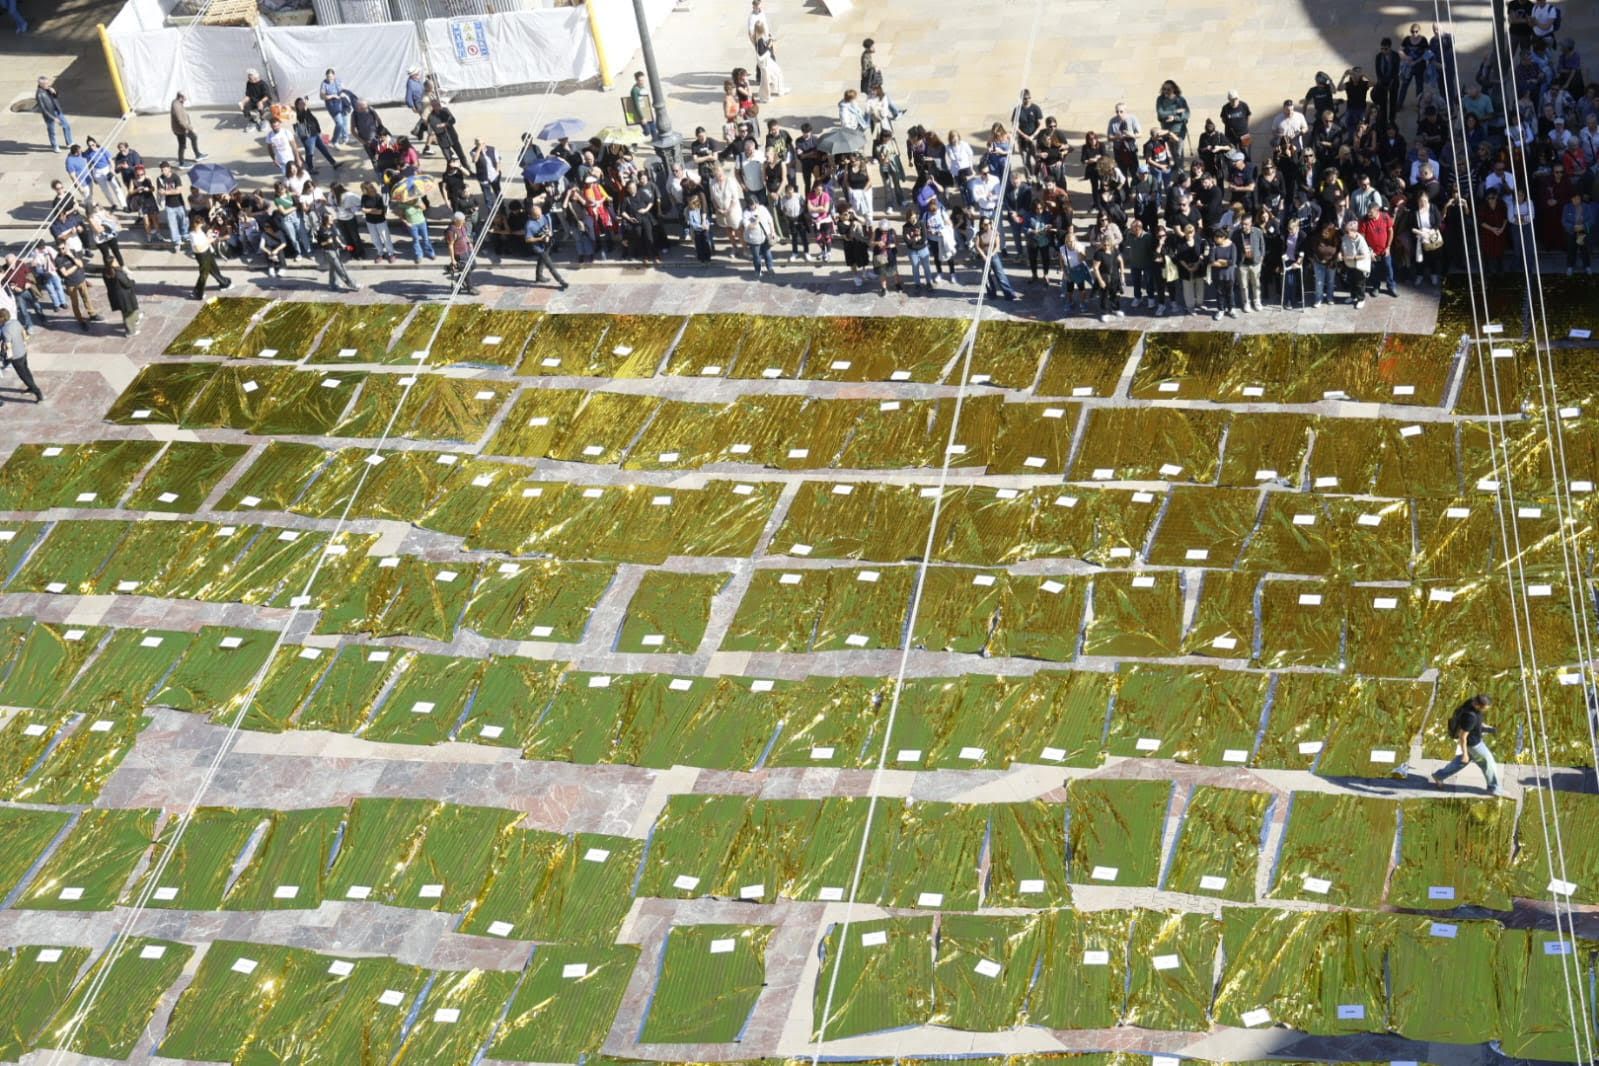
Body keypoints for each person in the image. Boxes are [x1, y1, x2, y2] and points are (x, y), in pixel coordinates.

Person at [1432, 694, 1503, 795]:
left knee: (1461, 762)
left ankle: (1439, 776)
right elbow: (1462, 737)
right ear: (1479, 705)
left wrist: (1488, 728)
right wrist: (1465, 753)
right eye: (1486, 707)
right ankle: (1494, 788)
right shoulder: (1470, 717)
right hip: (1474, 745)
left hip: (1474, 740)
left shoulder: (1471, 703)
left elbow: (1478, 722)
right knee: (1488, 762)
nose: (1487, 709)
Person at [0, 309, 43, 402]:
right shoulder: (15, 322)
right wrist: (24, 342)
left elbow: (8, 344)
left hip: (16, 357)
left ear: (2, 318)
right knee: (26, 370)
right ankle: (31, 387)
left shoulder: (5, 329)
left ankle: (37, 392)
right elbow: (23, 332)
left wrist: (8, 354)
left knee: (23, 375)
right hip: (23, 352)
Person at [523, 204, 568, 288]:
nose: (539, 217)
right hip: (538, 247)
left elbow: (546, 225)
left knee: (541, 261)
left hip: (546, 243)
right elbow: (527, 239)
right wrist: (540, 239)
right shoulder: (529, 225)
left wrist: (548, 233)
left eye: (540, 214)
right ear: (532, 215)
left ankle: (538, 276)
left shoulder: (542, 216)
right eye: (537, 216)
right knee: (549, 264)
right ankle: (561, 281)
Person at [292, 98, 339, 176]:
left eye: (303, 103)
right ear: (297, 106)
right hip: (308, 137)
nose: (303, 104)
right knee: (310, 152)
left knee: (323, 149)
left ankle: (333, 163)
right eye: (300, 104)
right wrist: (305, 108)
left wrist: (319, 131)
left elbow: (313, 120)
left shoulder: (307, 111)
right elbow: (304, 118)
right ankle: (310, 168)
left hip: (314, 134)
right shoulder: (300, 114)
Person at [975, 216, 1017, 300]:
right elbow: (977, 246)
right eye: (985, 224)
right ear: (982, 225)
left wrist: (991, 255)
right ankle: (991, 294)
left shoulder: (995, 232)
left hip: (993, 256)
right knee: (986, 277)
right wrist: (984, 256)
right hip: (983, 256)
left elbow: (997, 246)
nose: (987, 225)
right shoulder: (979, 234)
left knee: (1000, 275)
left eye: (989, 223)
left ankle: (1009, 293)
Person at [188, 221, 231, 300]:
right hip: (202, 255)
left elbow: (205, 239)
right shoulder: (193, 235)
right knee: (204, 274)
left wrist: (210, 238)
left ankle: (224, 283)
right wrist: (208, 241)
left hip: (207, 252)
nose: (202, 225)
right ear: (195, 224)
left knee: (214, 269)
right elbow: (198, 248)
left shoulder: (200, 231)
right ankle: (197, 293)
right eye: (200, 223)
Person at [1338, 219, 1371, 308]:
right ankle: (1353, 296)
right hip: (1349, 265)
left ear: (1354, 231)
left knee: (1359, 283)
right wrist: (1340, 254)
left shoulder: (1360, 240)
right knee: (1351, 281)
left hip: (1358, 266)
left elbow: (1364, 255)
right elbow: (1342, 248)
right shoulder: (1345, 237)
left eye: (1347, 231)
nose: (1346, 233)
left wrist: (1352, 258)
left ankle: (1361, 299)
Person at [742, 197, 777, 278]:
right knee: (756, 256)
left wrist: (773, 231)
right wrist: (756, 222)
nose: (755, 206)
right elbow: (747, 226)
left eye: (756, 203)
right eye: (753, 205)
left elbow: (770, 220)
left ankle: (770, 268)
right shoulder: (746, 213)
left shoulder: (763, 208)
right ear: (749, 205)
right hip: (754, 239)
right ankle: (758, 270)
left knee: (767, 253)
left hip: (765, 236)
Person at [102, 262, 139, 336]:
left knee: (126, 312)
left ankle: (134, 320)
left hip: (117, 296)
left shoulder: (105, 272)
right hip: (125, 296)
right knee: (128, 314)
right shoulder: (118, 274)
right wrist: (133, 282)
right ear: (112, 263)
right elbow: (127, 284)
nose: (117, 261)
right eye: (115, 260)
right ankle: (131, 332)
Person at [35, 75, 70, 152]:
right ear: (41, 84)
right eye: (46, 84)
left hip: (57, 110)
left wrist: (54, 92)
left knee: (66, 125)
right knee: (52, 131)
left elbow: (56, 97)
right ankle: (55, 146)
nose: (48, 85)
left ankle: (69, 142)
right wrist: (53, 118)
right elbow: (43, 109)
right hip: (50, 115)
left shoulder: (48, 89)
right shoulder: (39, 94)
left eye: (48, 83)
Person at [427, 100, 467, 166]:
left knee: (461, 155)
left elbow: (453, 120)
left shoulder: (445, 110)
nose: (438, 106)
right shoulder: (431, 117)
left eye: (438, 104)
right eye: (435, 105)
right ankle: (452, 174)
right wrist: (444, 125)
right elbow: (436, 129)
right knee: (449, 160)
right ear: (432, 107)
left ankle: (468, 170)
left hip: (453, 138)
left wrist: (445, 124)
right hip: (443, 141)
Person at [170, 92, 205, 166]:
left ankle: (198, 155)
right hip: (180, 130)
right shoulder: (176, 105)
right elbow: (180, 121)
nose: (185, 100)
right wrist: (191, 128)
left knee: (194, 137)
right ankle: (181, 163)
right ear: (180, 97)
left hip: (185, 128)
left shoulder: (178, 103)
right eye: (185, 98)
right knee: (182, 145)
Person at [319, 68, 352, 146]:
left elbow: (344, 89)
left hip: (342, 103)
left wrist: (343, 93)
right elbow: (322, 96)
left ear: (334, 75)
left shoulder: (338, 81)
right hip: (332, 105)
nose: (329, 79)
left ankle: (345, 138)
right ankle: (334, 141)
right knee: (339, 123)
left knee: (344, 122)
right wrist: (332, 96)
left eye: (331, 77)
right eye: (328, 77)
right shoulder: (324, 83)